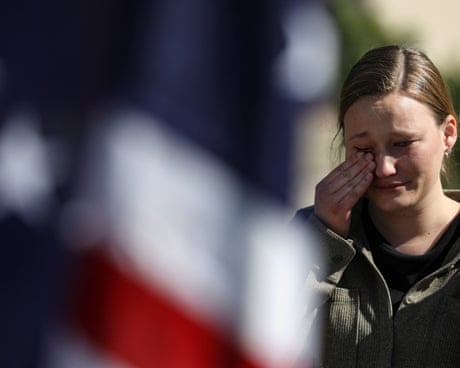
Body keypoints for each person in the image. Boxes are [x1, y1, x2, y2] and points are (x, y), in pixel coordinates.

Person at [296, 45, 460, 367]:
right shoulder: (307, 234)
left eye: (402, 143)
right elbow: (258, 340)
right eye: (364, 148)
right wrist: (324, 241)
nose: (384, 167)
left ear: (448, 134)